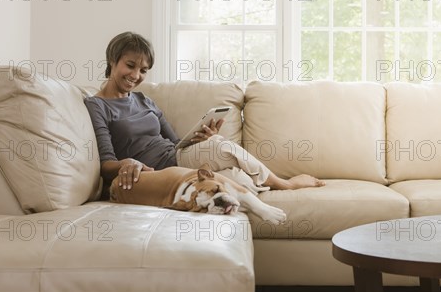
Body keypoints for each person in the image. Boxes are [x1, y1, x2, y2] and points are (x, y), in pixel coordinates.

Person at [84, 31, 325, 195]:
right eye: (130, 65)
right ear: (112, 60)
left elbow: (176, 143)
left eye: (143, 70)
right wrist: (127, 162)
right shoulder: (97, 105)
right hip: (159, 172)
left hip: (176, 158)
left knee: (238, 178)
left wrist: (200, 140)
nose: (136, 75)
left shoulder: (143, 99)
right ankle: (286, 184)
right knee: (222, 147)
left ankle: (237, 179)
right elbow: (106, 164)